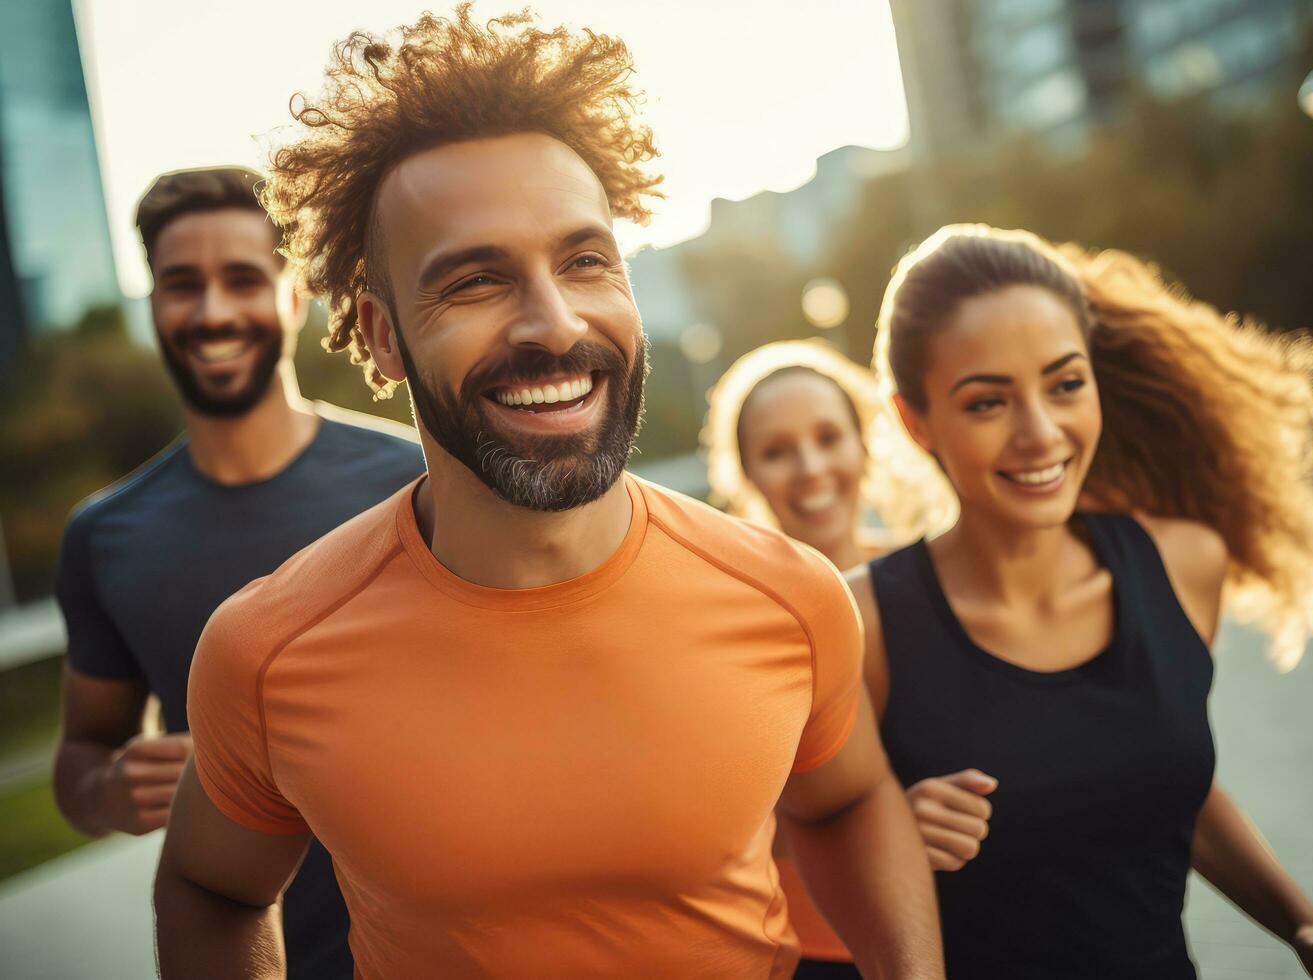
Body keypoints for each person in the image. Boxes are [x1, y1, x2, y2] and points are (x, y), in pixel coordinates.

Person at [152, 11, 942, 979]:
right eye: (475, 280)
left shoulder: (789, 595)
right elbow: (211, 886)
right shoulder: (267, 651)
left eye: (584, 260)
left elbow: (849, 801)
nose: (554, 322)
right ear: (383, 334)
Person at [847, 223, 1313, 978]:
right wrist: (884, 837)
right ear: (916, 422)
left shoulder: (1182, 564)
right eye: (987, 403)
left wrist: (1303, 926)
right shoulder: (863, 623)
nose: (1041, 434)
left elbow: (1174, 786)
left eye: (1066, 384)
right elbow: (795, 843)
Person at [51, 166, 425, 980]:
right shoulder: (104, 536)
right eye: (182, 284)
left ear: (293, 299)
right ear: (152, 306)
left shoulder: (418, 481)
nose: (213, 311)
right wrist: (109, 789)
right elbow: (81, 755)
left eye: (244, 280)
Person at [706, 339, 974, 978]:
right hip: (813, 953)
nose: (810, 467)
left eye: (829, 437)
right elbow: (718, 825)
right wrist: (883, 829)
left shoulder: (936, 581)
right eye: (776, 451)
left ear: (865, 444)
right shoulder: (728, 621)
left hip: (965, 925)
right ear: (745, 474)